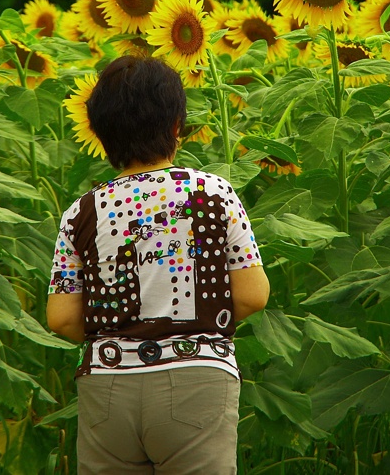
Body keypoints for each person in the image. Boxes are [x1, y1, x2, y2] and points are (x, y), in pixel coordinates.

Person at [46, 55, 270, 474]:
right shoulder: (213, 193)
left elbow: (60, 318)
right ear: (176, 127)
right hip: (196, 381)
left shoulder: (82, 212)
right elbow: (254, 295)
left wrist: (124, 335)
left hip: (107, 387)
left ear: (99, 133)